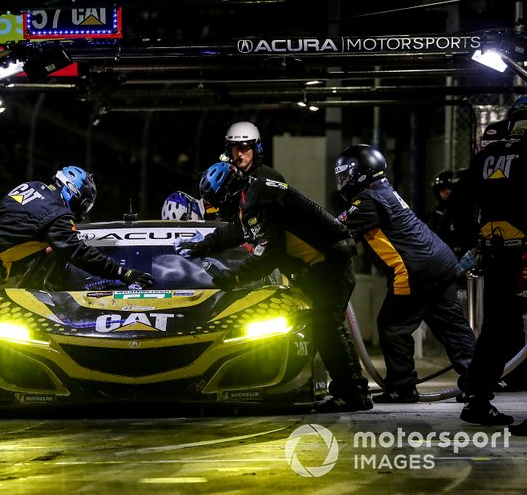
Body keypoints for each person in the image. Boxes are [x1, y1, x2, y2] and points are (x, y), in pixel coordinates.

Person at [0, 165, 155, 416]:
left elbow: (17, 226)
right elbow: (77, 251)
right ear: (73, 193)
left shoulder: (34, 188)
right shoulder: (57, 213)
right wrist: (122, 273)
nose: (80, 213)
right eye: (83, 204)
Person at [178, 161, 372, 413]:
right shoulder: (252, 193)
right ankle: (355, 391)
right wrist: (202, 245)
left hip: (328, 262)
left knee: (326, 327)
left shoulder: (257, 201)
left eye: (216, 202)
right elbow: (237, 231)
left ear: (227, 193)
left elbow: (268, 256)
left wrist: (233, 279)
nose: (216, 209)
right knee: (331, 326)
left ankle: (351, 395)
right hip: (327, 259)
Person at [334, 144, 476, 404]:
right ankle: (477, 381)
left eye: (346, 175)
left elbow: (333, 229)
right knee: (450, 325)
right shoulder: (383, 191)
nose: (343, 182)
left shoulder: (367, 199)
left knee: (392, 326)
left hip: (415, 268)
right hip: (441, 261)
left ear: (361, 173)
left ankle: (402, 387)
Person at [445, 96, 527, 428]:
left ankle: (477, 401)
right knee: (500, 329)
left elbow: (457, 207)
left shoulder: (487, 158)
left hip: (497, 256)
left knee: (497, 329)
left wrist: (469, 244)